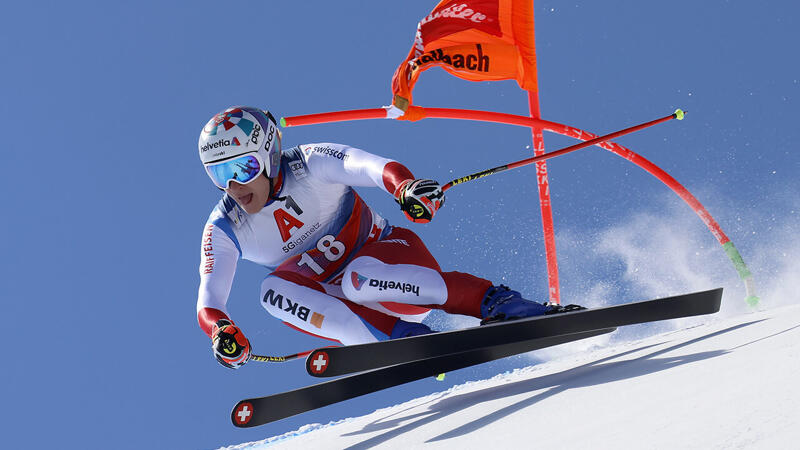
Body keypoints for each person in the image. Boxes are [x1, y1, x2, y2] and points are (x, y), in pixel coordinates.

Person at [196, 106, 580, 369]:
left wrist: (405, 188)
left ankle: (503, 303)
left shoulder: (308, 162)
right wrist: (221, 331)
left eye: (242, 168)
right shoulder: (225, 226)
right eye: (219, 175)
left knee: (358, 277)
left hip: (393, 266)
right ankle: (403, 343)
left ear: (268, 154)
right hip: (355, 310)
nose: (234, 186)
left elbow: (368, 165)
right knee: (271, 292)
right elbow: (210, 301)